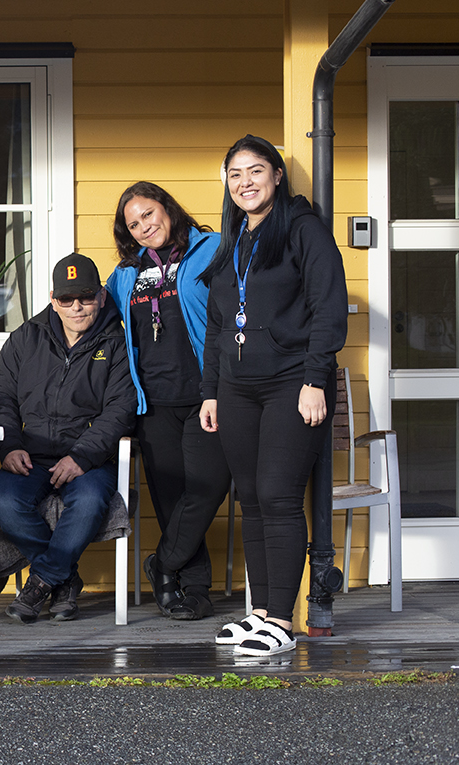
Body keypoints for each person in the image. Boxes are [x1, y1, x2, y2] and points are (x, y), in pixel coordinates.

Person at [199, 135, 348, 656]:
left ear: (277, 176)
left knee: (280, 496)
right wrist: (210, 392)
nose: (245, 182)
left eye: (256, 171)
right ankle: (259, 610)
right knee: (253, 497)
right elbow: (218, 326)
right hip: (236, 388)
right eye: (235, 173)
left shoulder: (303, 230)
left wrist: (314, 379)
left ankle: (283, 618)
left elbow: (329, 309)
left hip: (291, 382)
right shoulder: (234, 238)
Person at [0, 253, 137, 623]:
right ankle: (64, 581)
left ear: (101, 296)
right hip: (31, 454)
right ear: (54, 299)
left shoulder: (117, 342)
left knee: (87, 502)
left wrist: (82, 456)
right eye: (66, 299)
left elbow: (121, 408)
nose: (76, 307)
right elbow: (0, 394)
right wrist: (9, 446)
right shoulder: (26, 338)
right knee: (4, 501)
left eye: (85, 296)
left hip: (89, 459)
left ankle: (40, 583)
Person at [105, 181, 230, 621]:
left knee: (208, 486)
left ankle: (161, 564)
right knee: (172, 500)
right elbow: (90, 317)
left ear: (168, 209)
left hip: (206, 396)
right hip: (152, 403)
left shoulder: (213, 248)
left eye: (148, 214)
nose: (143, 226)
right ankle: (193, 590)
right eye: (133, 223)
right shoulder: (124, 275)